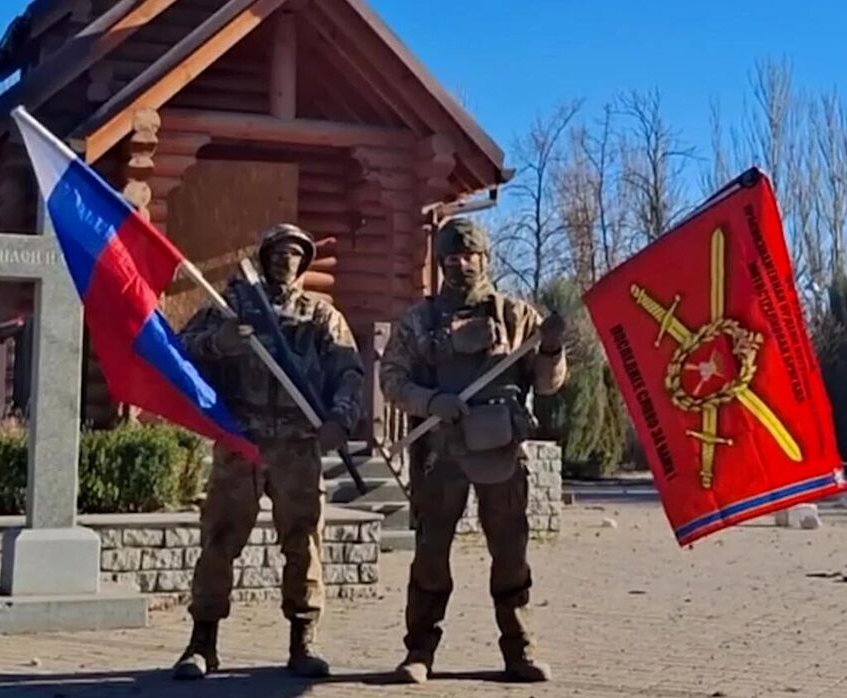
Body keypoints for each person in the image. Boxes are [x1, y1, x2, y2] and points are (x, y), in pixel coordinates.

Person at [379, 216, 568, 684]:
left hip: (500, 450)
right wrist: (428, 402)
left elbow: (546, 386)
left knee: (511, 552)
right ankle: (419, 650)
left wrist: (552, 350)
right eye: (451, 258)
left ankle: (519, 647)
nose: (460, 265)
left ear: (485, 258)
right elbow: (391, 379)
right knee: (430, 553)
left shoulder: (517, 316)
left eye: (469, 256)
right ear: (440, 262)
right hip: (439, 453)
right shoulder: (419, 321)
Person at [172, 223, 364, 680]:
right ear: (264, 256)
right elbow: (180, 350)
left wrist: (340, 418)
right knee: (219, 541)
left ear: (305, 263)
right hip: (242, 440)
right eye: (279, 252)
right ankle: (203, 643)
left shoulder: (321, 316)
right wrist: (221, 342)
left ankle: (303, 641)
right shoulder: (231, 307)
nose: (287, 260)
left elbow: (349, 372)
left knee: (303, 542)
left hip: (298, 445)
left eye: (296, 254)